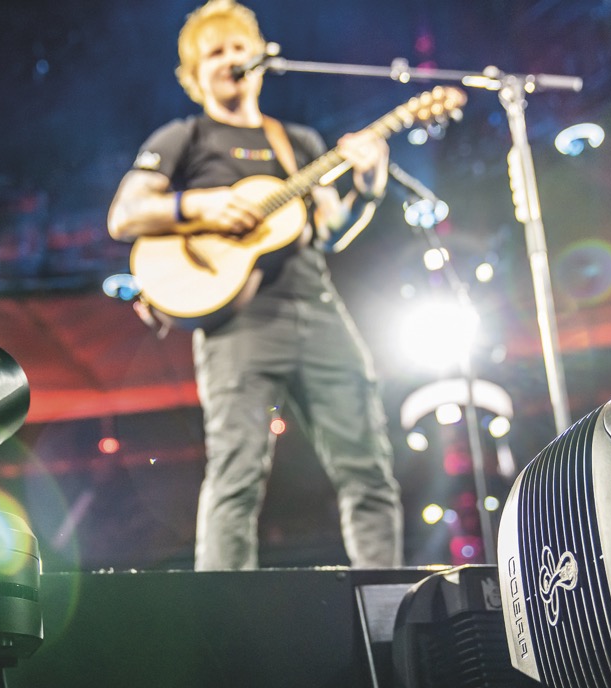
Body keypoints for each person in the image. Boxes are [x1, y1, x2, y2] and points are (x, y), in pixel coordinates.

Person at [107, 0, 403, 570]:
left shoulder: (299, 143)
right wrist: (208, 205)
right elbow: (125, 214)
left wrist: (367, 185)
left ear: (261, 58)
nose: (230, 59)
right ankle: (228, 626)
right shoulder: (183, 136)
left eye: (239, 47)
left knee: (368, 469)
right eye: (214, 52)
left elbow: (331, 232)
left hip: (318, 311)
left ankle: (388, 609)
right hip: (234, 327)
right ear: (194, 76)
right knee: (236, 475)